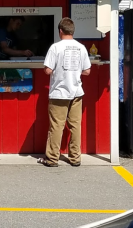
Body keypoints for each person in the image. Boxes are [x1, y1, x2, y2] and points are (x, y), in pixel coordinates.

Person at [38, 17, 91, 167]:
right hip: (76, 92)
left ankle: (52, 159)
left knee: (56, 126)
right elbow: (87, 71)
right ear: (72, 31)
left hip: (59, 92)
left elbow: (47, 70)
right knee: (75, 126)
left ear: (60, 31)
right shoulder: (81, 47)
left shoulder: (55, 47)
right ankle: (75, 158)